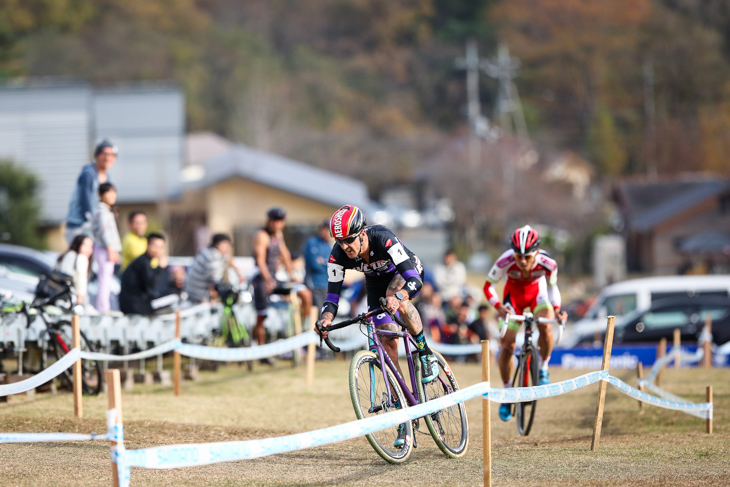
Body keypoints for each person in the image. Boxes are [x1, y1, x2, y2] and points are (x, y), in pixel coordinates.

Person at [316, 205, 438, 447]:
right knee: (386, 342)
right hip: (375, 284)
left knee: (398, 299)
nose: (345, 246)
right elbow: (332, 297)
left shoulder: (383, 238)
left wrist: (400, 295)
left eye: (349, 240)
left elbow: (413, 278)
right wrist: (326, 318)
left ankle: (425, 353)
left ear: (362, 233)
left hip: (405, 273)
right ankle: (404, 413)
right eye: (339, 242)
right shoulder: (337, 255)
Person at [483, 225, 567, 422]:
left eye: (527, 256)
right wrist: (499, 307)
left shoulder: (548, 263)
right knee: (507, 346)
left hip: (537, 296)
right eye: (518, 256)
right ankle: (507, 394)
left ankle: (544, 367)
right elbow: (488, 287)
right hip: (513, 301)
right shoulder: (505, 261)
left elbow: (553, 288)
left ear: (536, 252)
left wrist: (557, 310)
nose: (522, 261)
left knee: (546, 327)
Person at [251, 208, 312, 364]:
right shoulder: (262, 236)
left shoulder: (278, 235)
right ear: (269, 221)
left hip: (275, 278)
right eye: (275, 221)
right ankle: (261, 350)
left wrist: (291, 274)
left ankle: (305, 329)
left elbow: (285, 254)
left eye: (280, 221)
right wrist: (268, 279)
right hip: (261, 279)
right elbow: (260, 260)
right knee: (261, 316)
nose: (277, 224)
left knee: (305, 293)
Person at [65, 140, 118, 245]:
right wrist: (93, 225)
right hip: (79, 225)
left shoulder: (107, 177)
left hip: (95, 225)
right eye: (105, 154)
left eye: (112, 155)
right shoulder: (88, 174)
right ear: (97, 155)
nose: (108, 158)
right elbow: (86, 201)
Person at [119, 233, 169, 315]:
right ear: (148, 245)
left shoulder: (145, 261)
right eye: (155, 246)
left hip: (135, 305)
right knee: (173, 297)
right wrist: (160, 268)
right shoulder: (142, 262)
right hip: (134, 306)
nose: (157, 250)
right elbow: (152, 286)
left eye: (160, 247)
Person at [91, 182, 121, 314]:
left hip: (107, 248)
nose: (112, 195)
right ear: (100, 195)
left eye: (113, 192)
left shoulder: (106, 210)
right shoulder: (101, 211)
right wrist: (111, 249)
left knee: (107, 279)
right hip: (104, 248)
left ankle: (105, 307)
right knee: (104, 279)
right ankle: (103, 308)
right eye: (108, 192)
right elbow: (104, 231)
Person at [184, 233, 238, 303]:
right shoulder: (212, 256)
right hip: (200, 296)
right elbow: (216, 281)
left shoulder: (207, 252)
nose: (228, 248)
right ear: (217, 244)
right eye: (225, 245)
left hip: (193, 292)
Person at [55, 234, 94, 308]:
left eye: (91, 247)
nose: (89, 250)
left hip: (56, 295)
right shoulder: (82, 258)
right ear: (77, 244)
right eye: (86, 245)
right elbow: (81, 280)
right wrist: (79, 300)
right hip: (69, 299)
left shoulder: (66, 255)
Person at [303, 220, 333, 310]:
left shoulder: (328, 246)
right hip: (314, 283)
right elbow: (315, 264)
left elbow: (332, 266)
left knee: (326, 312)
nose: (329, 233)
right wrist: (326, 263)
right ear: (322, 229)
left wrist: (323, 262)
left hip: (327, 284)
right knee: (318, 312)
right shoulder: (312, 242)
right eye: (327, 230)